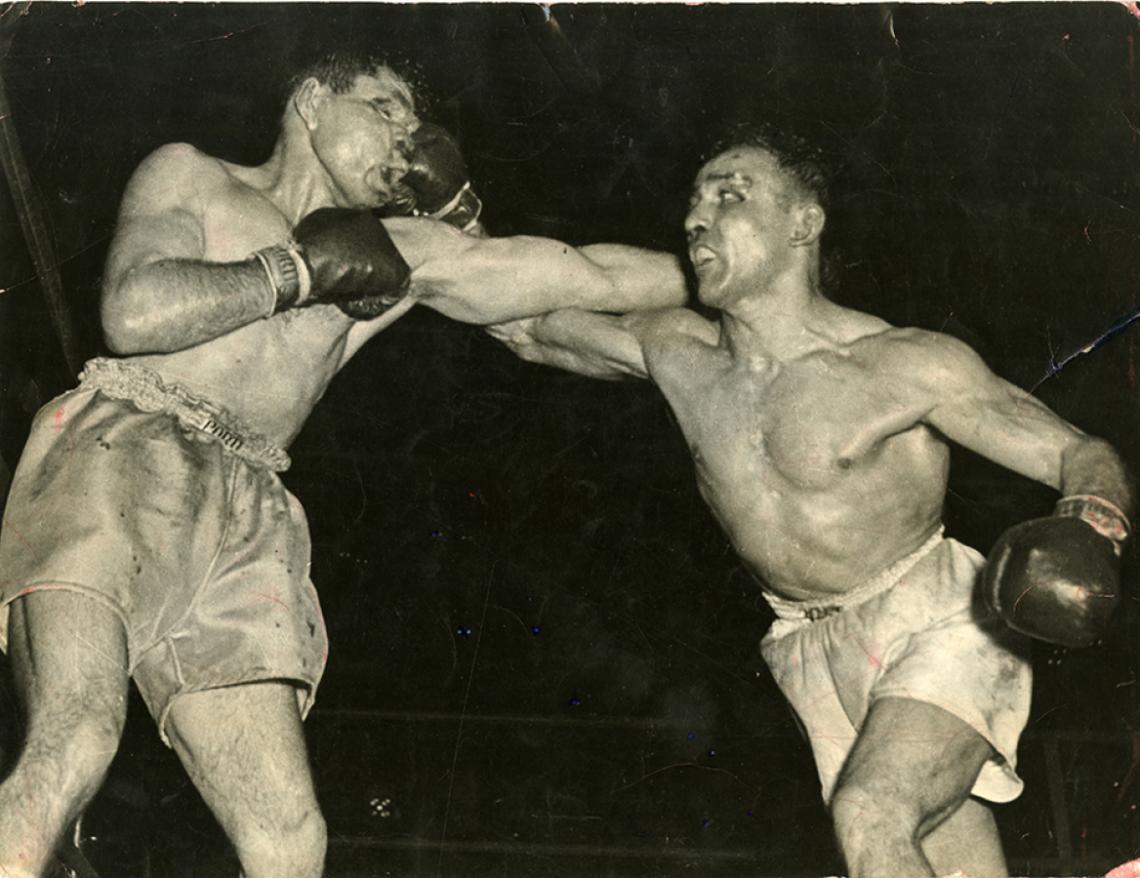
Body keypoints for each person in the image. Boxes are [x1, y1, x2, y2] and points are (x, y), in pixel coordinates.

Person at [0, 51, 687, 878]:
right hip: (126, 443)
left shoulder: (398, 252)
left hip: (249, 498)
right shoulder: (195, 175)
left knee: (289, 840)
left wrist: (731, 276)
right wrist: (297, 271)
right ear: (314, 99)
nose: (407, 139)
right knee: (76, 738)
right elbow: (133, 311)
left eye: (416, 124)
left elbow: (581, 273)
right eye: (386, 108)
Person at [486, 125, 1134, 878]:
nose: (699, 217)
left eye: (732, 194)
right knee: (932, 854)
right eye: (694, 202)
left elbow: (1079, 452)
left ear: (804, 223)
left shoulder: (901, 364)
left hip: (943, 619)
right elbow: (529, 327)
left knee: (871, 813)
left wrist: (1090, 524)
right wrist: (445, 212)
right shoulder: (677, 354)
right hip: (809, 644)